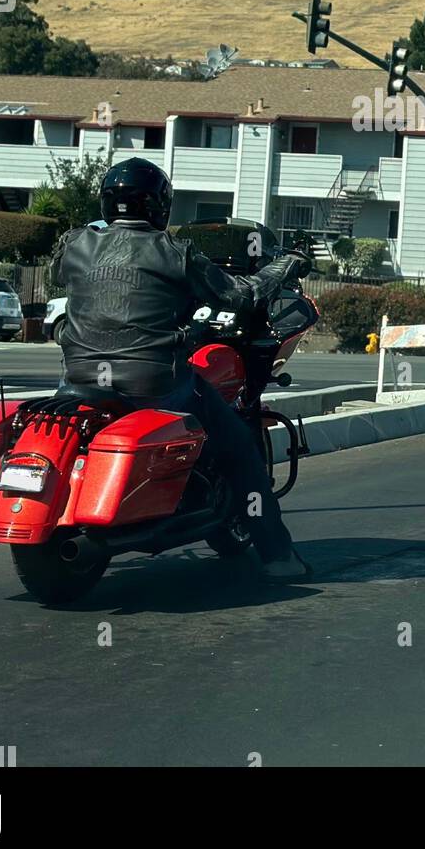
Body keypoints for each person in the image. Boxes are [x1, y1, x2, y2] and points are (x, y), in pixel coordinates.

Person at [50, 156, 311, 581]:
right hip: (152, 383)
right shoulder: (172, 251)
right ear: (159, 206)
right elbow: (241, 295)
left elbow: (63, 275)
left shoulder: (76, 243)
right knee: (240, 449)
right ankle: (279, 557)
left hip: (77, 380)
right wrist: (287, 264)